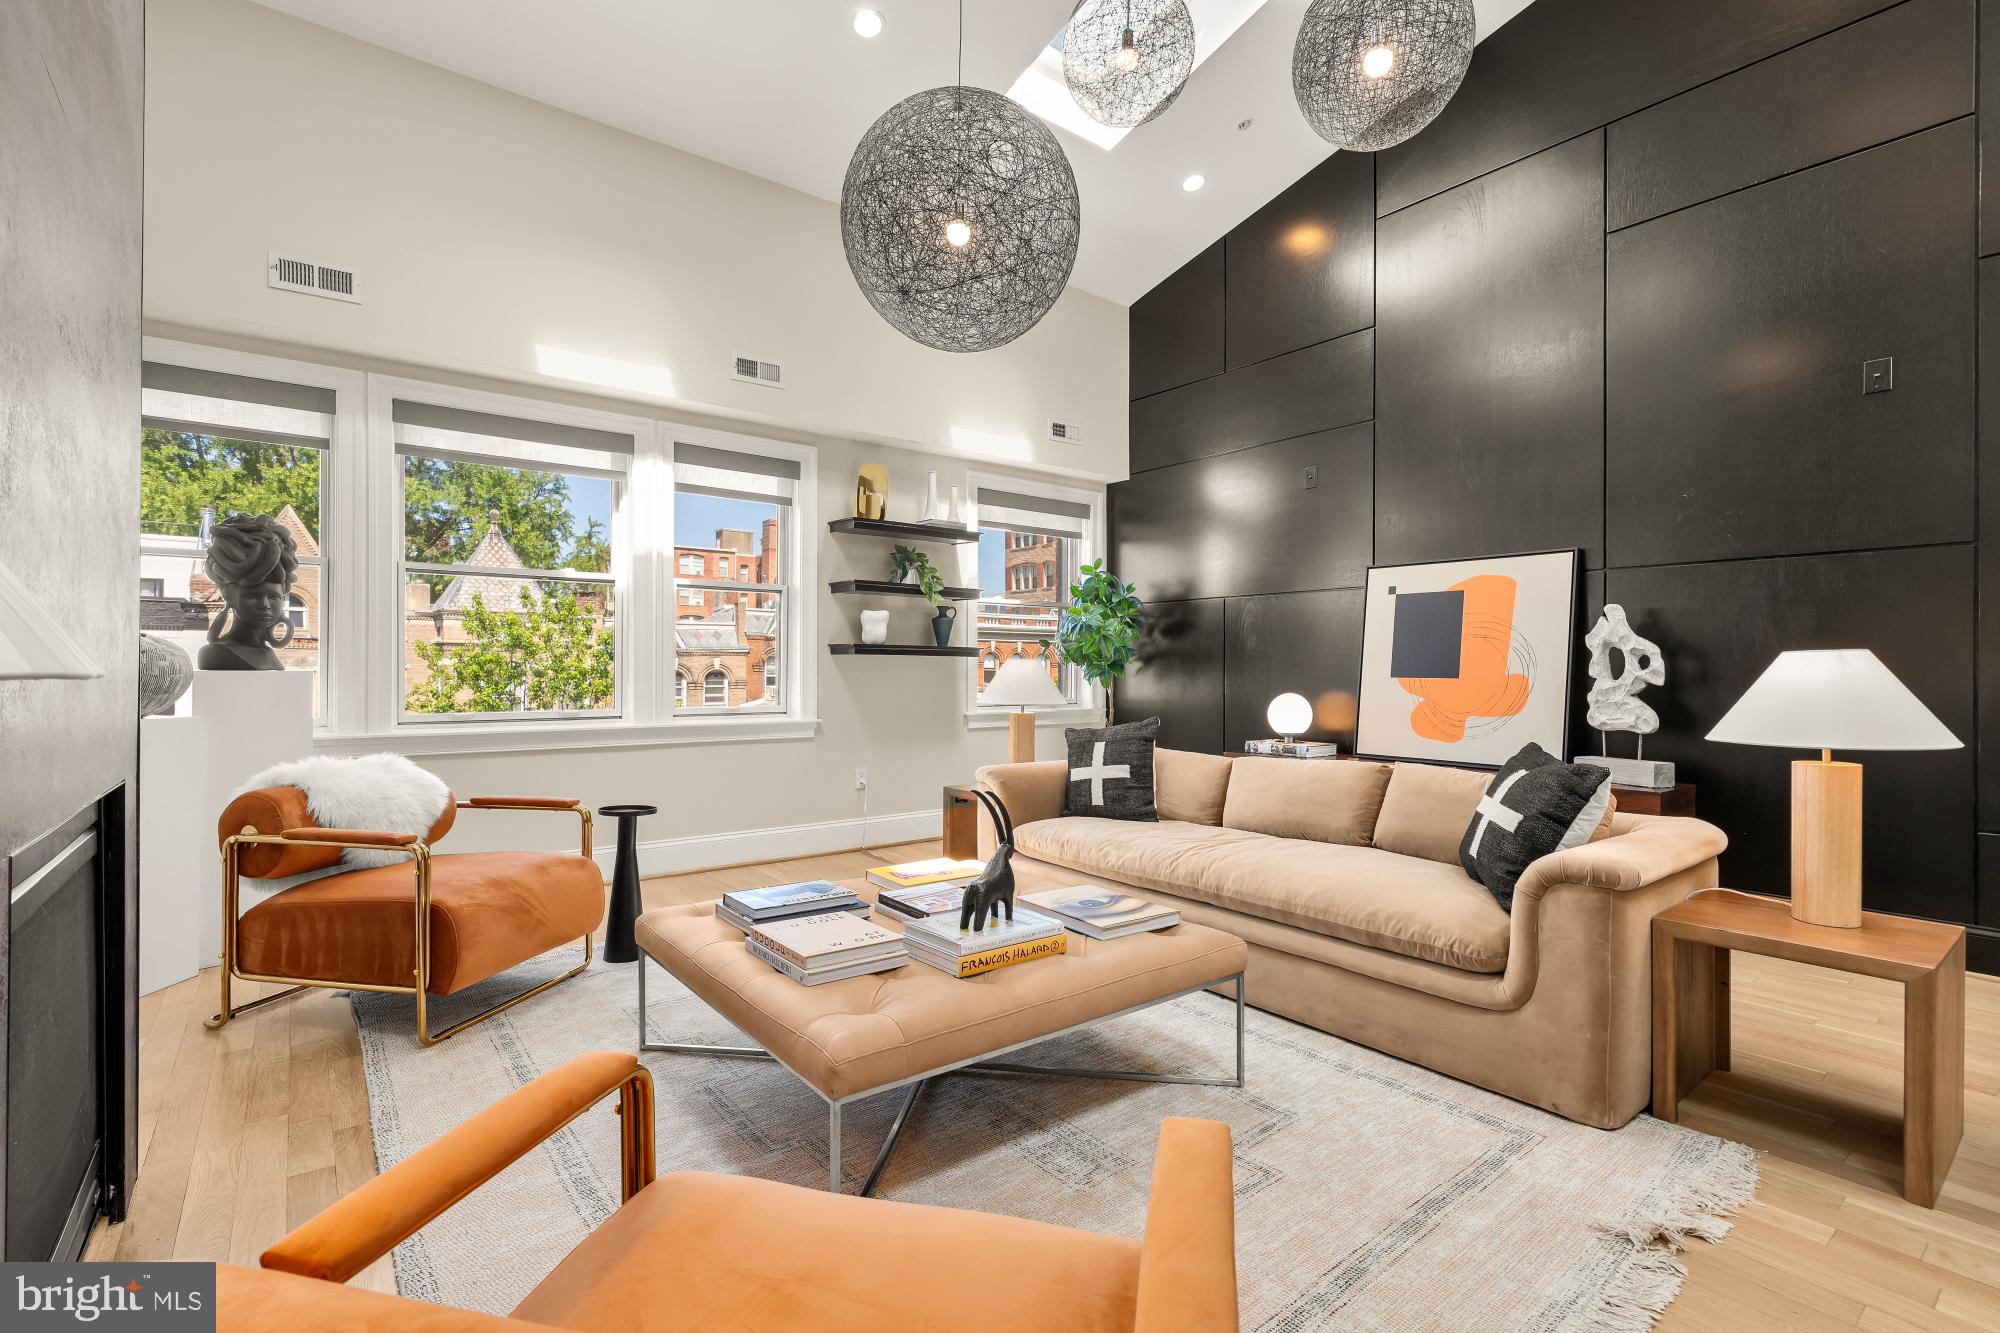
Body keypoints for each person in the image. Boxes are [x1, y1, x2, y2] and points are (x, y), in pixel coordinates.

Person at [197, 513, 298, 671]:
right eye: (253, 596)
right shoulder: (216, 654)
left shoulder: (267, 653)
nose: (265, 605)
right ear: (228, 596)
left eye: (273, 597)